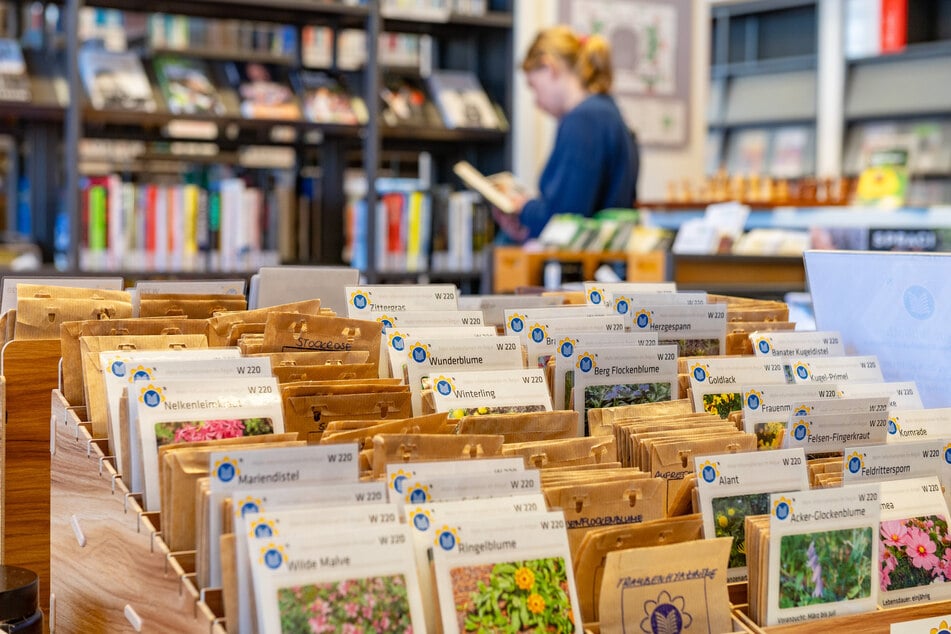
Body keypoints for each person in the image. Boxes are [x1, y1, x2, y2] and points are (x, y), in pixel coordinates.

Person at [497, 26, 639, 243]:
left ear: (549, 67)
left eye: (534, 87)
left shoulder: (583, 120)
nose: (537, 101)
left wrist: (523, 207)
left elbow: (565, 219)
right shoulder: (609, 112)